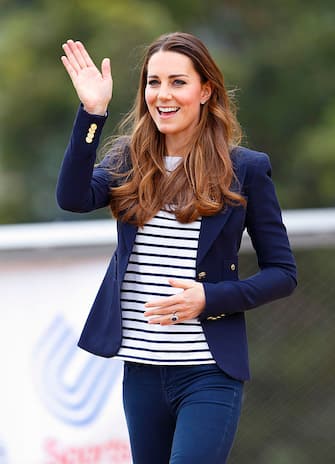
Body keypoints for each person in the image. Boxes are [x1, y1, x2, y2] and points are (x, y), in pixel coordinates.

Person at [57, 32, 297, 464]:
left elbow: (283, 272)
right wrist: (92, 113)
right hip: (141, 371)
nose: (162, 95)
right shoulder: (128, 160)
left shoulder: (245, 168)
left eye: (177, 82)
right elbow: (72, 197)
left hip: (208, 372)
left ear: (206, 91)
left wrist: (210, 298)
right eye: (153, 82)